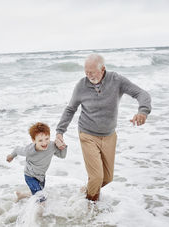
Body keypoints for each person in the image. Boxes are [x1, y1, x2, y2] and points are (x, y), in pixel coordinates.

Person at [55, 54, 151, 201]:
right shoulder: (81, 85)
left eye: (91, 72)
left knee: (107, 178)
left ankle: (86, 193)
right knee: (96, 177)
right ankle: (90, 209)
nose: (88, 75)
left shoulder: (116, 80)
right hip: (87, 134)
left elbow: (141, 93)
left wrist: (142, 112)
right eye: (86, 72)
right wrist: (60, 131)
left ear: (103, 69)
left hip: (109, 135)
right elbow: (70, 109)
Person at [6, 122, 67, 202]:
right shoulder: (29, 150)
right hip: (30, 176)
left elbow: (62, 156)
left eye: (47, 139)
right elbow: (17, 149)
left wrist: (63, 146)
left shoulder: (52, 146)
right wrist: (11, 156)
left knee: (36, 194)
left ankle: (21, 195)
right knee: (41, 198)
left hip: (41, 177)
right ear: (34, 140)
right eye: (40, 140)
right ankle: (37, 214)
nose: (44, 143)